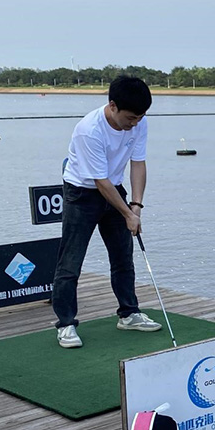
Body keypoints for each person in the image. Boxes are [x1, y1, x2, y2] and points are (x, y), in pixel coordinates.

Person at [53, 75, 162, 348]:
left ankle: (128, 314)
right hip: (81, 193)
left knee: (123, 257)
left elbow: (138, 163)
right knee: (70, 263)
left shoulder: (139, 122)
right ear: (113, 106)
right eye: (130, 118)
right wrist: (128, 214)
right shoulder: (89, 130)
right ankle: (65, 324)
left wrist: (136, 205)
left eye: (140, 117)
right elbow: (99, 181)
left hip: (114, 188)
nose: (134, 123)